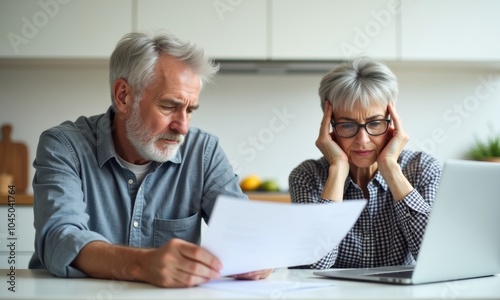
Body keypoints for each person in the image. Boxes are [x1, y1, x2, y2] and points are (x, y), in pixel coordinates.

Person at [29, 31, 272, 287]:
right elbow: (59, 238)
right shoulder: (65, 146)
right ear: (123, 96)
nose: (183, 127)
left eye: (189, 110)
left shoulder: (204, 152)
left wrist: (257, 250)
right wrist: (142, 263)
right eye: (169, 106)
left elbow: (243, 231)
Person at [288, 57, 442, 269]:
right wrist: (338, 170)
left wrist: (391, 170)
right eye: (348, 125)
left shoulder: (423, 169)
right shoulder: (308, 175)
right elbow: (313, 266)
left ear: (392, 121)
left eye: (375, 123)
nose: (362, 140)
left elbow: (434, 258)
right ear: (329, 126)